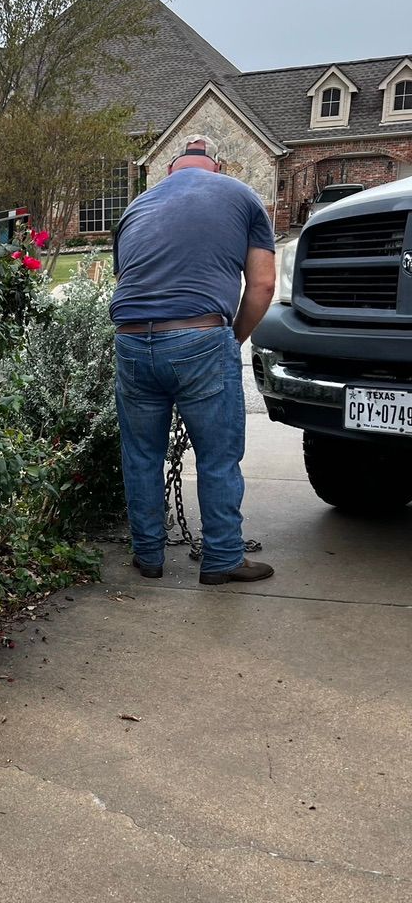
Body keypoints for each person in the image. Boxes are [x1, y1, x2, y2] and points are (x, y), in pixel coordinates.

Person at [109, 135, 277, 585]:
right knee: (217, 455)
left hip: (129, 340)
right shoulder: (242, 195)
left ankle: (148, 556)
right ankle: (222, 559)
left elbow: (130, 279)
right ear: (215, 168)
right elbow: (262, 286)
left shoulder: (135, 208)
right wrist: (232, 338)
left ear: (169, 171)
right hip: (199, 335)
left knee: (141, 455)